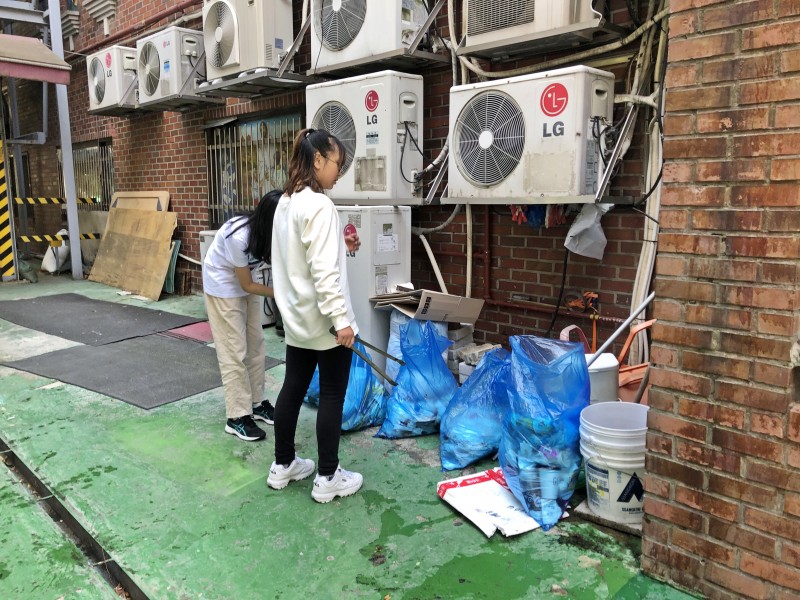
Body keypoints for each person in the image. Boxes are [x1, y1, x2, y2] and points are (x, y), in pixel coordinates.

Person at [266, 128, 364, 503]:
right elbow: (323, 272)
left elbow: (297, 258)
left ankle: (283, 465)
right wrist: (342, 319)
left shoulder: (287, 202)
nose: (339, 172)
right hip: (324, 321)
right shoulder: (321, 205)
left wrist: (341, 244)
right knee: (332, 393)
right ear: (318, 159)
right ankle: (327, 477)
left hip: (296, 321)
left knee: (292, 387)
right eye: (337, 163)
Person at [203, 189, 282, 442]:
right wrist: (280, 294)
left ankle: (256, 402)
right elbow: (247, 285)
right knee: (234, 349)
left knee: (256, 344)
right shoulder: (239, 236)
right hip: (223, 283)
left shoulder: (273, 234)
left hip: (247, 280)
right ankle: (237, 416)